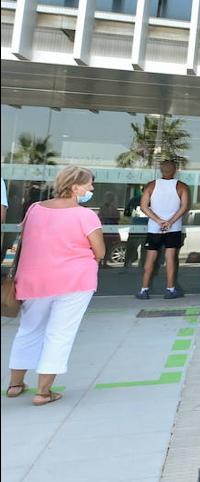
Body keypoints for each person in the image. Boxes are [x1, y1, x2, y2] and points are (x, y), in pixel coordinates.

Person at [7, 166, 105, 405]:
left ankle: (15, 385)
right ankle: (43, 392)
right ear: (75, 187)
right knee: (60, 333)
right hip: (75, 280)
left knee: (29, 329)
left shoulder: (34, 209)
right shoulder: (86, 215)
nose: (91, 188)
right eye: (88, 184)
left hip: (33, 280)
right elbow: (99, 251)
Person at [136, 160, 190, 300]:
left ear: (161, 170)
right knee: (170, 258)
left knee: (150, 259)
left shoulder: (151, 185)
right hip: (174, 228)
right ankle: (170, 289)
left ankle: (144, 290)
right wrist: (170, 221)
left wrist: (158, 220)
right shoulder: (181, 186)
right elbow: (183, 207)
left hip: (155, 228)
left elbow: (143, 206)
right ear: (175, 170)